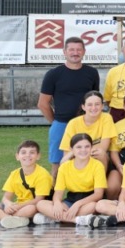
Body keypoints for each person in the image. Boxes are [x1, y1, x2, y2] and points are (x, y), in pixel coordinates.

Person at [37, 37, 101, 166]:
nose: (75, 53)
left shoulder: (92, 73)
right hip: (62, 124)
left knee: (89, 161)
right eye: (71, 49)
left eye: (78, 49)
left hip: (86, 125)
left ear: (84, 51)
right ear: (64, 52)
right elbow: (43, 103)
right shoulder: (53, 74)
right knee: (58, 163)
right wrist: (55, 121)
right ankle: (55, 186)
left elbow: (95, 99)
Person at [0, 139, 55, 228]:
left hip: (33, 206)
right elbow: (6, 197)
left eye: (32, 152)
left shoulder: (42, 174)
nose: (27, 155)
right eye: (23, 152)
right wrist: (8, 204)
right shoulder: (14, 174)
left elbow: (38, 200)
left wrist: (17, 206)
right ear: (17, 156)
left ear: (38, 156)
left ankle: (1, 218)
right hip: (17, 206)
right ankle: (9, 219)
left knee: (31, 209)